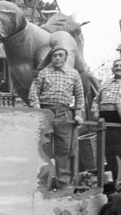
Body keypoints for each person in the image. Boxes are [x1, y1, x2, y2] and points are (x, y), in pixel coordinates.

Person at [28, 35, 85, 189]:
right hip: (45, 111)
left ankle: (63, 184)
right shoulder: (43, 73)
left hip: (64, 113)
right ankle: (43, 183)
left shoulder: (73, 74)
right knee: (44, 147)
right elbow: (33, 92)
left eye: (61, 55)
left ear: (66, 57)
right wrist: (38, 109)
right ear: (51, 58)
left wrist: (78, 113)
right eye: (54, 55)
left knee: (63, 149)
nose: (57, 58)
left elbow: (79, 95)